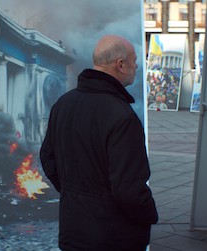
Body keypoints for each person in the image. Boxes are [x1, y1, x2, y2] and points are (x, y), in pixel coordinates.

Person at [40, 35, 158, 251]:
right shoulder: (122, 116)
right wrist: (150, 214)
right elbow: (129, 188)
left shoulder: (63, 104)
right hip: (114, 237)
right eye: (134, 61)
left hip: (73, 229)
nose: (137, 66)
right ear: (120, 65)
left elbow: (48, 158)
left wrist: (72, 192)